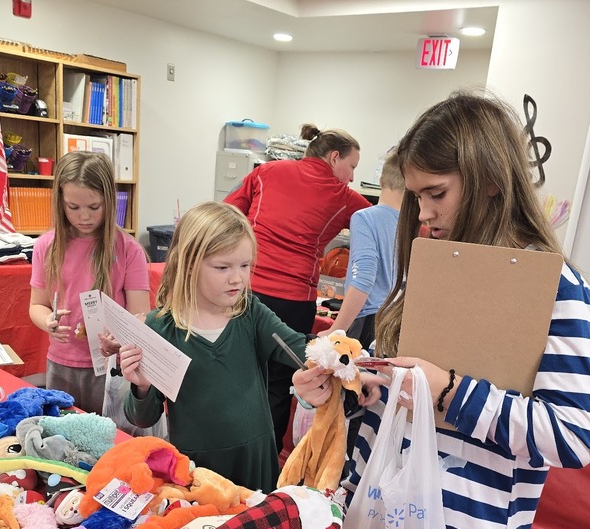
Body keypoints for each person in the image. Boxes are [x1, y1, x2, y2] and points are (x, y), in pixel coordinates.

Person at [292, 90, 590, 529]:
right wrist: (353, 386)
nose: (425, 214)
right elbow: (402, 386)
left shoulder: (553, 286)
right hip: (374, 519)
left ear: (487, 181)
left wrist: (451, 391)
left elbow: (573, 436)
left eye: (436, 194)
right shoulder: (431, 263)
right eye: (416, 197)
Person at [117, 201, 308, 492]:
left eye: (245, 266)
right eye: (222, 267)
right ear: (189, 264)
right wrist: (141, 387)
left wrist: (344, 361)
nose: (238, 278)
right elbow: (143, 417)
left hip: (256, 461)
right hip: (198, 470)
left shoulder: (251, 313)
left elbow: (301, 350)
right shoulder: (160, 327)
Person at [224, 124, 372, 452]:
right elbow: (382, 224)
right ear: (334, 157)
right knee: (278, 385)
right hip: (294, 302)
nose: (350, 177)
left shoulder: (265, 172)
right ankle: (265, 456)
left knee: (235, 374)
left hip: (245, 292)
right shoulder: (343, 197)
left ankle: (229, 450)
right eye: (352, 167)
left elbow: (226, 214)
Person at [28, 152, 150, 415]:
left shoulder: (129, 250)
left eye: (94, 207)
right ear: (60, 201)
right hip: (61, 363)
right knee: (61, 437)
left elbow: (142, 315)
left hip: (110, 368)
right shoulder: (45, 246)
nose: (84, 217)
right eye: (73, 207)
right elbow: (36, 304)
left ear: (109, 200)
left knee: (108, 441)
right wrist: (48, 322)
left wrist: (120, 338)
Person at [321, 149, 402, 351]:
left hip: (368, 321)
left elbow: (363, 277)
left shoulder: (365, 218)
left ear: (382, 180)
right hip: (396, 320)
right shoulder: (414, 225)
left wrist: (336, 329)